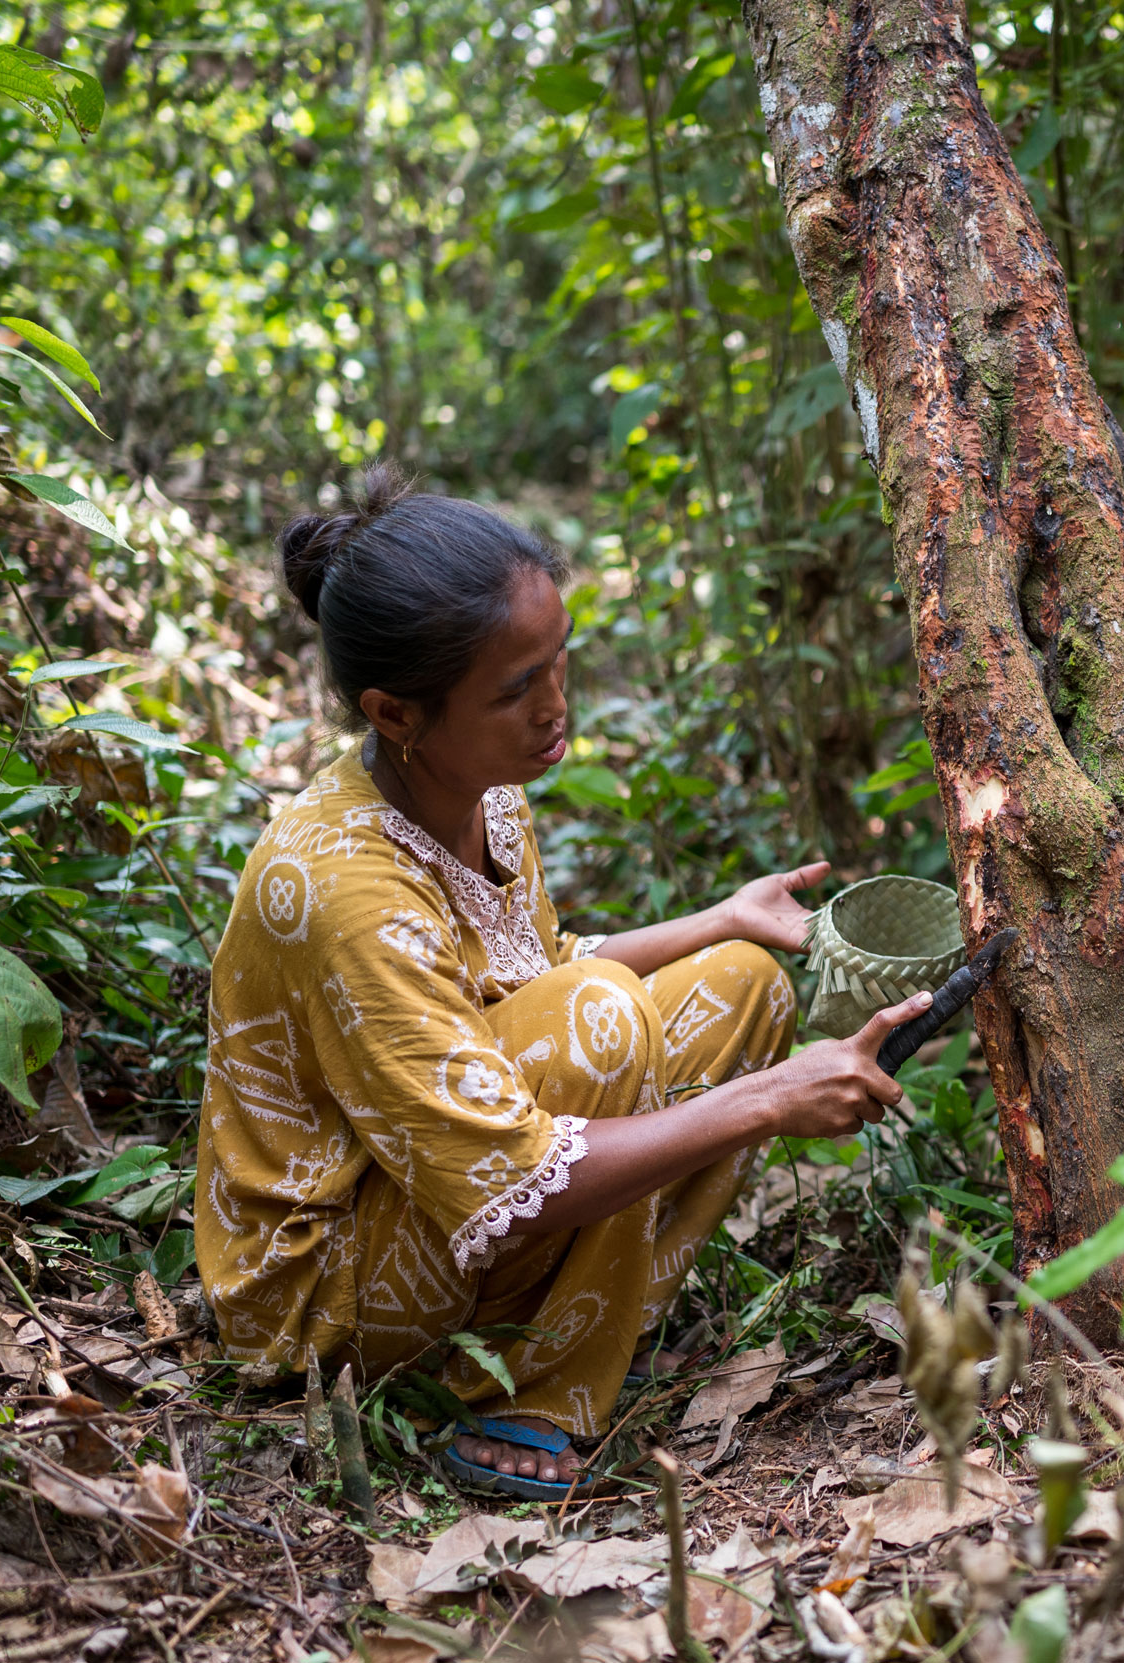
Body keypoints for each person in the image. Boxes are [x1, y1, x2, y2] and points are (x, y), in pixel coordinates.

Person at [197, 469, 928, 1497]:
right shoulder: (341, 886)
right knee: (606, 1020)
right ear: (394, 711)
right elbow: (510, 1165)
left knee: (742, 982)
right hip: (327, 1291)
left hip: (431, 1186)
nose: (555, 708)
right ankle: (528, 1390)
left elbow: (521, 984)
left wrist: (720, 920)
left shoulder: (482, 789)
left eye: (557, 664)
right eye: (513, 689)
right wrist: (767, 1099)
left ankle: (569, 1329)